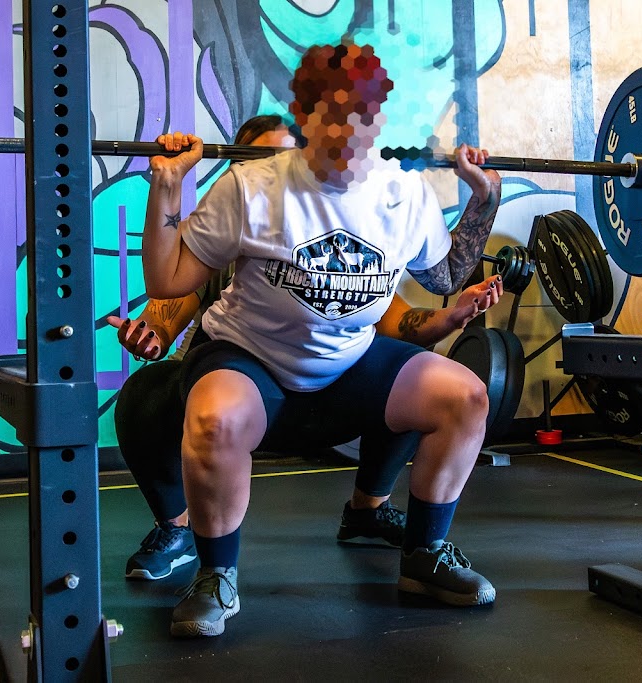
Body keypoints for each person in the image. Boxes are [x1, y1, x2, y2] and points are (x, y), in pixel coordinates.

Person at [140, 41, 504, 637]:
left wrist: (485, 200)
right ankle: (215, 577)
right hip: (251, 360)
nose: (345, 134)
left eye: (360, 118)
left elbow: (444, 277)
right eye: (328, 118)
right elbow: (166, 280)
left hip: (349, 362)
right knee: (213, 418)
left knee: (465, 397)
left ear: (378, 120)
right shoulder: (251, 187)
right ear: (303, 120)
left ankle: (425, 556)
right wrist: (167, 189)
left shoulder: (404, 191)